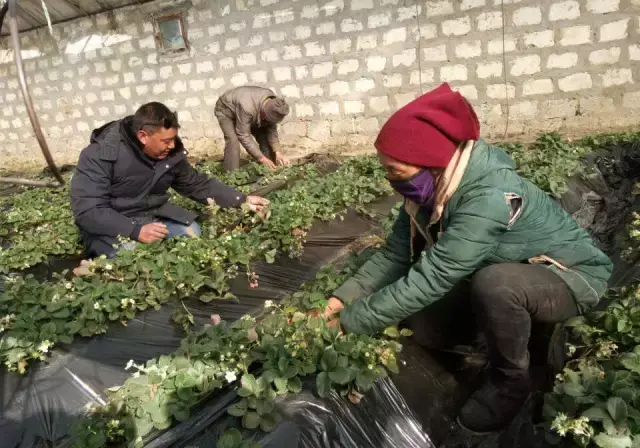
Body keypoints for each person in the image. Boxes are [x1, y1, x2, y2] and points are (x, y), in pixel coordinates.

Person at [322, 83, 613, 433]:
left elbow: (434, 276)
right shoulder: (427, 193)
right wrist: (338, 302)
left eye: (395, 172)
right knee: (424, 320)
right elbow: (394, 255)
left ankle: (512, 381)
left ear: (430, 164)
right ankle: (486, 337)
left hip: (569, 278)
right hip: (517, 271)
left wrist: (348, 323)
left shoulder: (488, 196)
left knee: (496, 284)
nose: (389, 182)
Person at [70, 102, 269, 258]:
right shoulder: (100, 153)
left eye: (173, 139)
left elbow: (195, 183)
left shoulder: (169, 152)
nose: (172, 145)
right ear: (143, 136)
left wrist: (241, 200)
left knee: (191, 232)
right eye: (166, 141)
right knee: (132, 255)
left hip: (149, 214)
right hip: (114, 221)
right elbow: (88, 210)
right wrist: (134, 230)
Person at [214, 86, 291, 172]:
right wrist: (261, 158)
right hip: (226, 111)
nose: (265, 120)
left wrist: (278, 152)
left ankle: (269, 169)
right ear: (263, 112)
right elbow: (243, 135)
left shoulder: (274, 104)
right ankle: (231, 174)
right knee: (233, 141)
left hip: (249, 114)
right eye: (265, 118)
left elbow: (271, 130)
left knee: (265, 137)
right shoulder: (247, 107)